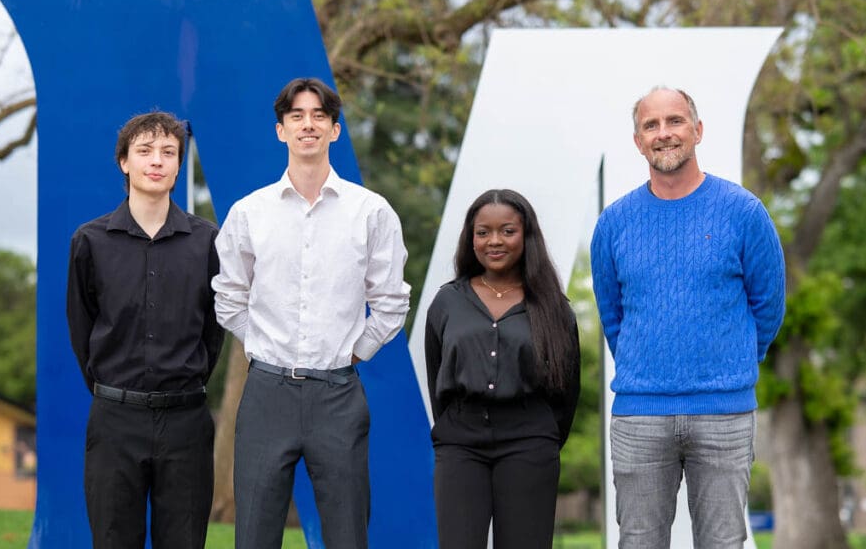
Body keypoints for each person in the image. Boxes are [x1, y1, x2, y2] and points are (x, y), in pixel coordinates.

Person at [212, 77, 411, 549]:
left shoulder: (371, 212)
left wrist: (352, 353)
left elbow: (391, 302)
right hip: (266, 393)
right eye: (297, 116)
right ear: (280, 130)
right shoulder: (249, 213)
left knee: (347, 535)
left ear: (335, 130)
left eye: (319, 116)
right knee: (255, 535)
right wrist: (261, 341)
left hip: (338, 395)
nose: (308, 125)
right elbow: (228, 297)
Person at [590, 86, 786, 548]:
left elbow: (769, 305)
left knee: (722, 542)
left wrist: (733, 362)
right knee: (638, 542)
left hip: (725, 411)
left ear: (697, 131)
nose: (664, 134)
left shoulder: (743, 212)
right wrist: (649, 367)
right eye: (651, 125)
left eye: (675, 121)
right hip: (640, 415)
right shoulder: (614, 223)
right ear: (638, 141)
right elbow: (611, 314)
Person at [66, 111, 224, 549]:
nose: (157, 161)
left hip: (186, 421)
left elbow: (213, 332)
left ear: (178, 165)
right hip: (115, 419)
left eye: (168, 152)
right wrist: (115, 388)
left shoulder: (208, 242)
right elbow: (83, 329)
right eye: (145, 151)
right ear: (124, 162)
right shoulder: (90, 241)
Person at [425, 189, 581, 549]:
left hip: (529, 443)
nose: (494, 241)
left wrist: (540, 434)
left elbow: (567, 391)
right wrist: (456, 426)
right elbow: (438, 376)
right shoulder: (447, 301)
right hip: (460, 444)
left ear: (526, 236)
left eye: (507, 231)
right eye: (483, 232)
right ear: (471, 238)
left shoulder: (553, 307)